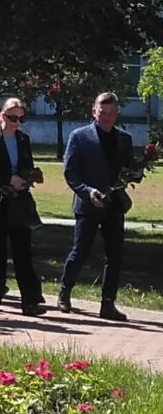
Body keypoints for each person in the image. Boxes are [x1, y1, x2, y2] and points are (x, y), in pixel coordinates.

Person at [58, 92, 133, 321]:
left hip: (114, 205)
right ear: (94, 112)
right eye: (103, 112)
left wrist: (135, 173)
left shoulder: (124, 139)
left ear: (117, 114)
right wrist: (86, 191)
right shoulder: (80, 137)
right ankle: (64, 293)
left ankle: (108, 303)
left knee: (115, 256)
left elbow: (128, 170)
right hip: (88, 204)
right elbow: (70, 172)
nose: (107, 117)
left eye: (111, 113)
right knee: (80, 251)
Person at [0, 98, 46, 316]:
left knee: (23, 251)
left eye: (21, 119)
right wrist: (7, 179)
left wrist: (29, 178)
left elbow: (27, 166)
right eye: (13, 118)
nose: (17, 123)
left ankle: (30, 301)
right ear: (3, 115)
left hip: (20, 202)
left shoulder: (23, 139)